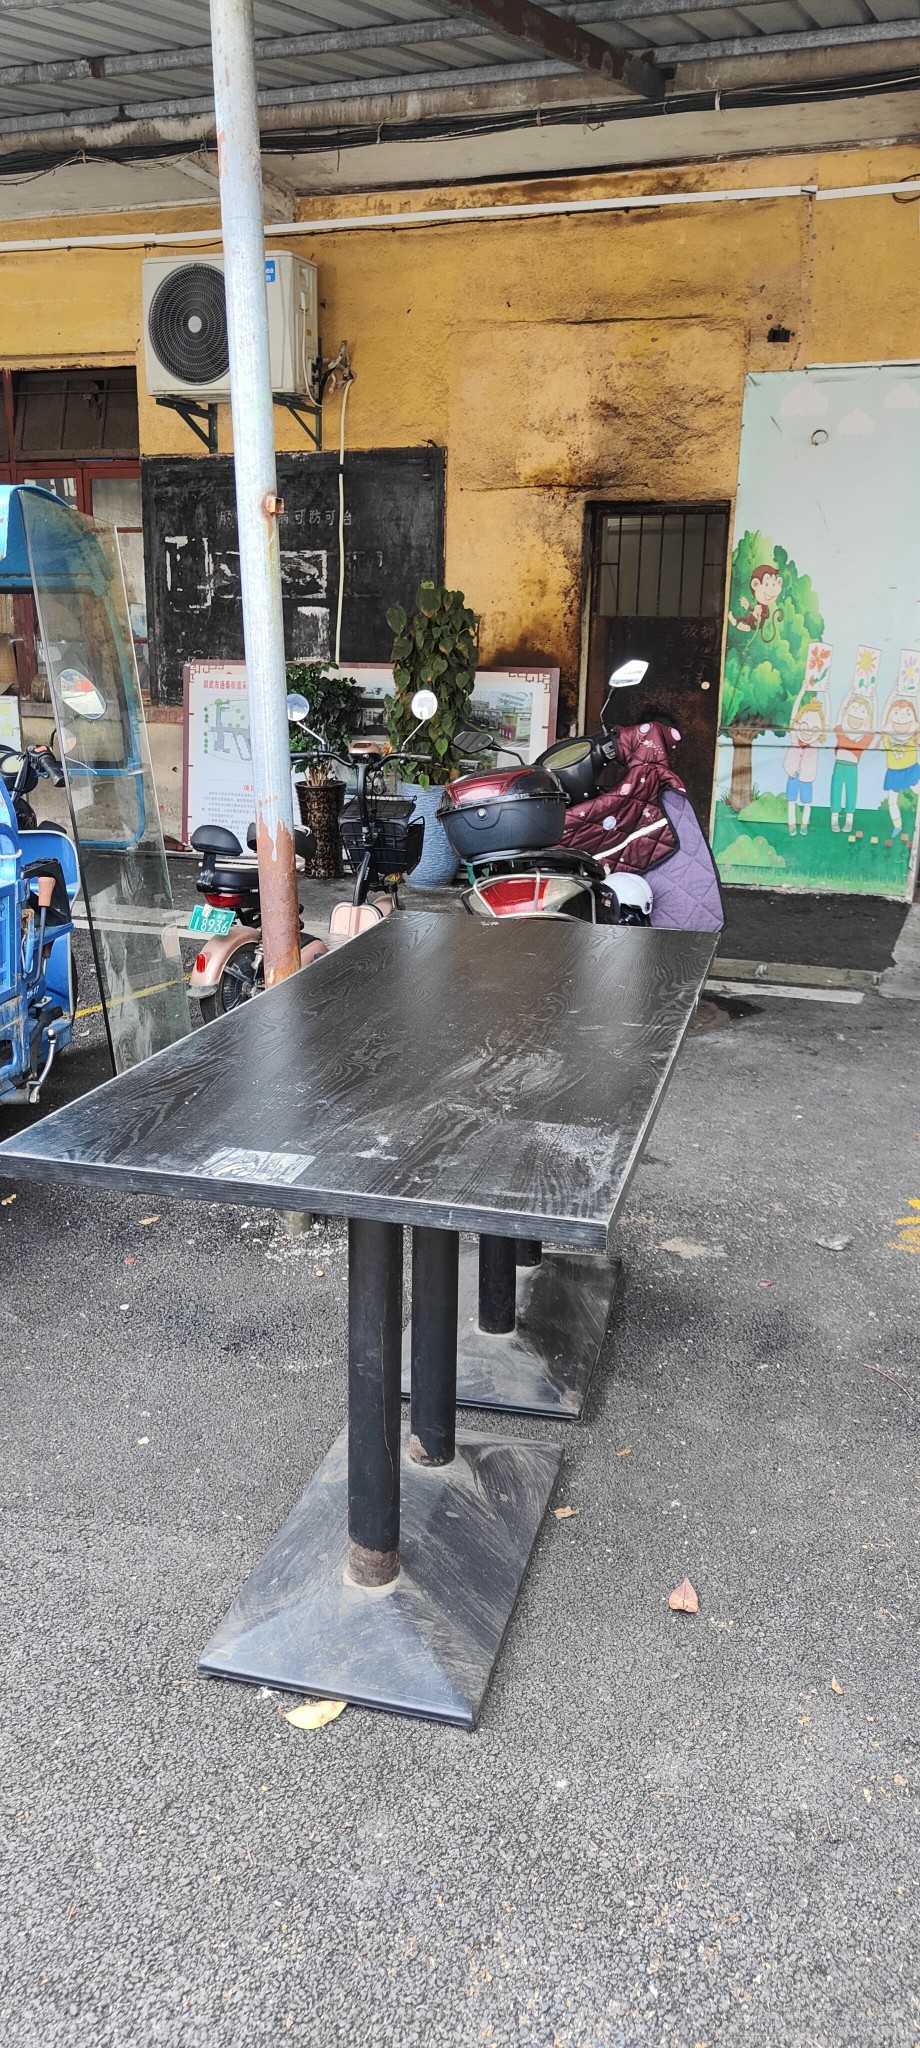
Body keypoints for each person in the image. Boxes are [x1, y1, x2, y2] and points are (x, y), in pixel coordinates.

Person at [830, 688, 875, 834]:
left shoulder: (865, 737)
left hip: (852, 767)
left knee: (851, 791)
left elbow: (873, 725)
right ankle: (834, 818)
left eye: (862, 711)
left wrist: (874, 699)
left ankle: (849, 820)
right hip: (839, 764)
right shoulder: (841, 730)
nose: (856, 713)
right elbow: (840, 715)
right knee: (835, 790)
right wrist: (850, 692)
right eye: (854, 708)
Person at [783, 691, 827, 836]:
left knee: (807, 802)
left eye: (814, 727)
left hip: (806, 777)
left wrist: (826, 695)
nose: (808, 730)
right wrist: (802, 691)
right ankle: (791, 825)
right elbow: (793, 717)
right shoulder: (794, 738)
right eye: (805, 723)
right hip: (793, 774)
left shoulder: (816, 743)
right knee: (791, 801)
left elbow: (826, 723)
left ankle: (804, 825)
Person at [880, 691, 920, 835]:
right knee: (892, 801)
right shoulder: (887, 737)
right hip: (894, 772)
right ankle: (897, 826)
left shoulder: (914, 736)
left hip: (911, 770)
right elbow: (884, 719)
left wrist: (917, 697)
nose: (902, 717)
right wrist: (892, 694)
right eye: (896, 713)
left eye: (907, 713)